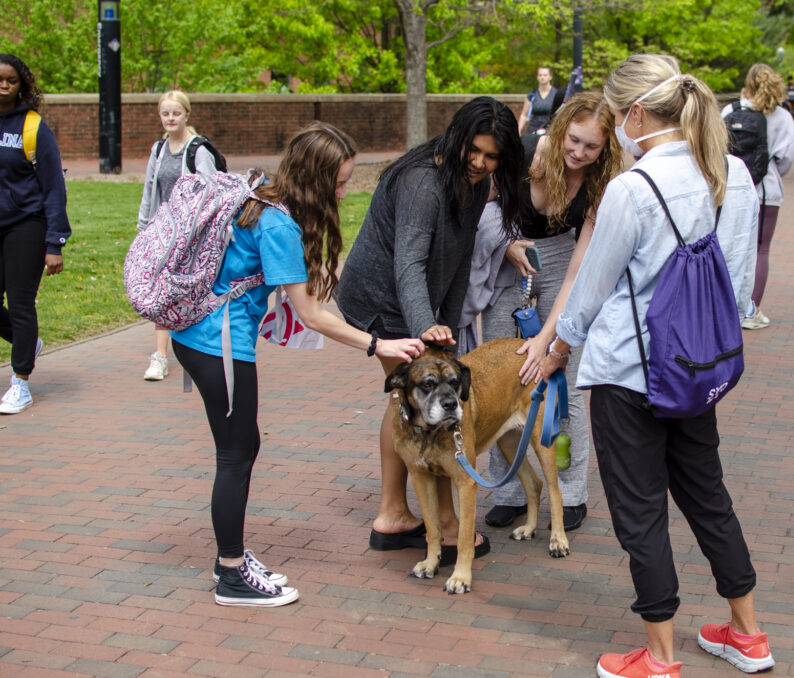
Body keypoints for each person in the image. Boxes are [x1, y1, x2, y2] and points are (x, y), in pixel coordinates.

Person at [538, 54, 770, 678]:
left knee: (640, 513)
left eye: (616, 115)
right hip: (698, 371)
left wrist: (558, 348)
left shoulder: (632, 189)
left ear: (635, 113)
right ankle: (747, 634)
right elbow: (741, 284)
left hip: (630, 374)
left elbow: (590, 290)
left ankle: (661, 655)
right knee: (708, 497)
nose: (615, 126)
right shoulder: (733, 174)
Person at [171, 122, 424, 607]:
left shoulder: (261, 194)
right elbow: (312, 315)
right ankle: (230, 575)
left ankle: (234, 559)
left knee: (244, 446)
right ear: (316, 178)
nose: (345, 193)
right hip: (218, 343)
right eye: (341, 182)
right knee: (235, 457)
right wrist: (380, 345)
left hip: (202, 337)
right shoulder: (280, 224)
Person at [335, 96, 526, 561]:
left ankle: (394, 514)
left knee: (408, 402)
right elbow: (409, 264)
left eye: (492, 156)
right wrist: (425, 330)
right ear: (457, 138)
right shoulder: (424, 183)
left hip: (414, 299)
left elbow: (458, 261)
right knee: (409, 396)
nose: (480, 163)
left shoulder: (474, 183)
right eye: (474, 151)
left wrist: (454, 326)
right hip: (381, 300)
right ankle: (432, 519)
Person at [475, 91, 623, 532]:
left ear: (605, 147)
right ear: (560, 131)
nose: (578, 153)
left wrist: (547, 341)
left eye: (590, 146)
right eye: (573, 141)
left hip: (563, 262)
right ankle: (511, 490)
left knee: (562, 386)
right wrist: (505, 246)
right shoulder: (525, 155)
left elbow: (578, 275)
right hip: (511, 255)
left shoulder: (603, 183)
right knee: (500, 377)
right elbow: (481, 211)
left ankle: (572, 491)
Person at [0, 54, 70, 415]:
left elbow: (53, 187)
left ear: (21, 84)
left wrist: (54, 241)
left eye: (11, 80)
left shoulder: (32, 127)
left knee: (21, 303)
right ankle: (27, 344)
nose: (4, 86)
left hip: (26, 224)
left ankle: (20, 383)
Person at [137, 90, 219, 382]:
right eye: (165, 113)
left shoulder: (198, 150)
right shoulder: (158, 150)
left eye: (176, 113)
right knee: (161, 292)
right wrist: (144, 230)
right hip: (164, 234)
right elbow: (150, 190)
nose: (170, 118)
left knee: (190, 293)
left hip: (193, 235)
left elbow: (213, 192)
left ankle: (197, 350)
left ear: (187, 115)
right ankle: (159, 357)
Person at [725, 63, 794, 330]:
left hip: (732, 189)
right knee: (761, 249)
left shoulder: (731, 111)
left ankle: (725, 307)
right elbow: (788, 156)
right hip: (765, 191)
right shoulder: (781, 116)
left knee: (729, 246)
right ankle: (751, 311)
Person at [518, 66, 563, 135]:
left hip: (550, 130)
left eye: (545, 75)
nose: (542, 77)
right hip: (533, 130)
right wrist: (518, 130)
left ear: (550, 77)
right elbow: (524, 114)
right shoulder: (532, 94)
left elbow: (561, 114)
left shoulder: (556, 94)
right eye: (540, 75)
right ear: (537, 77)